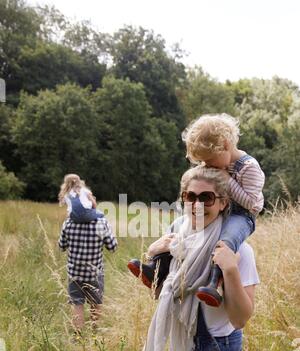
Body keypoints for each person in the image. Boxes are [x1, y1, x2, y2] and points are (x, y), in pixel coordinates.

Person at [141, 166, 260, 351]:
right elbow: (163, 296)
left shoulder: (238, 250)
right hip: (182, 343)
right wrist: (153, 254)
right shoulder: (178, 240)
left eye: (206, 198)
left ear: (223, 202)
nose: (196, 205)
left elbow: (241, 318)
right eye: (189, 197)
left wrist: (229, 271)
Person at [128, 113, 264, 307]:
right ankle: (156, 268)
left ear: (226, 145)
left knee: (225, 242)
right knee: (178, 233)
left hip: (241, 215)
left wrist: (227, 180)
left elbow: (252, 203)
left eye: (210, 162)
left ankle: (215, 284)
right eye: (204, 163)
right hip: (219, 207)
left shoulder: (250, 168)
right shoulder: (217, 162)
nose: (208, 167)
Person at [58, 204, 117, 335]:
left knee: (77, 304)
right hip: (94, 274)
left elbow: (61, 246)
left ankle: (78, 336)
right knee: (95, 303)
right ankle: (95, 334)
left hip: (75, 274)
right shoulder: (101, 223)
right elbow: (112, 247)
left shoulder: (68, 223)